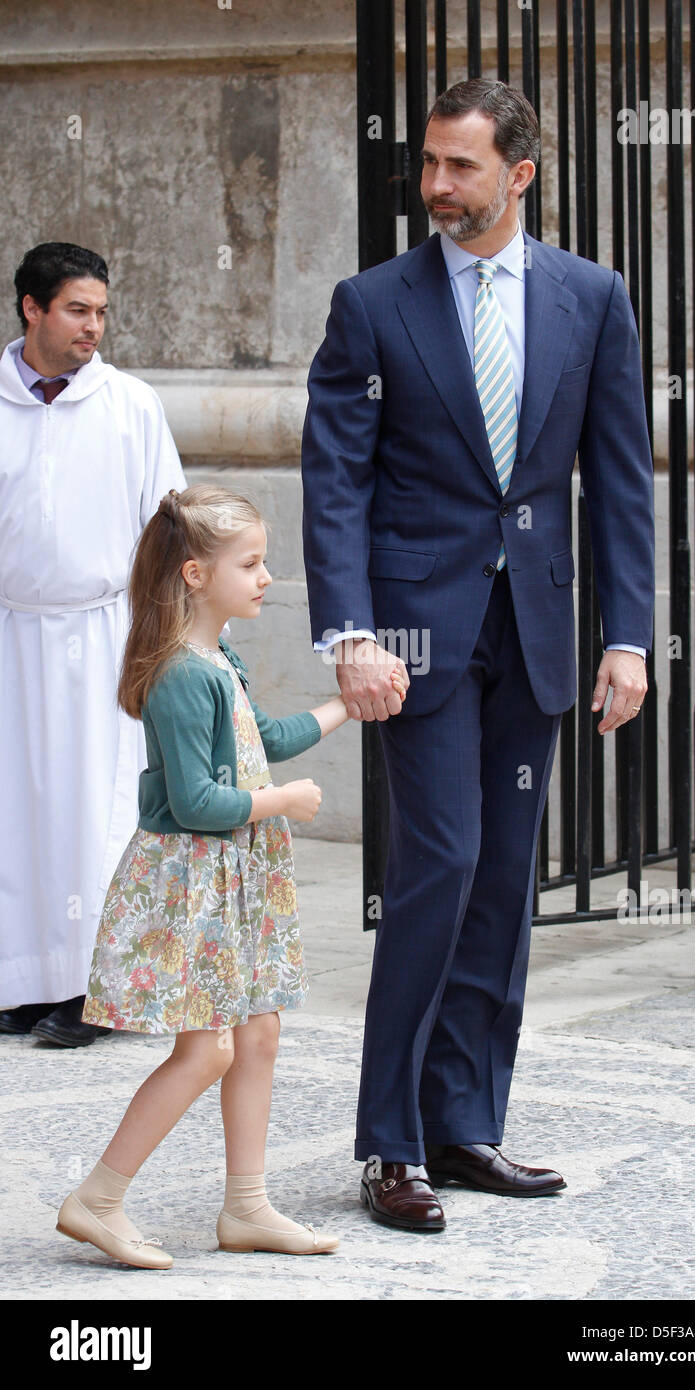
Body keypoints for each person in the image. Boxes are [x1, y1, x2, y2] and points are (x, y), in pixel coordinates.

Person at [301, 78, 654, 1231]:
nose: (434, 185)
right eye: (428, 162)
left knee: (502, 881)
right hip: (413, 635)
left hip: (538, 630)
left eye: (459, 166)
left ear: (519, 174)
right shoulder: (371, 303)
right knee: (439, 865)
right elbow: (335, 476)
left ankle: (463, 1126)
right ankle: (388, 1141)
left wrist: (630, 637)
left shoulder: (589, 298)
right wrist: (348, 633)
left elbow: (618, 474)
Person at [56, 483, 405, 1267]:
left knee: (258, 1034)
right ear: (193, 575)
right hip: (193, 887)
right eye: (249, 563)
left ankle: (246, 1207)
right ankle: (98, 1198)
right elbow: (196, 801)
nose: (265, 578)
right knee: (208, 1050)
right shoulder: (183, 673)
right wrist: (282, 802)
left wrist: (348, 705)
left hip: (231, 882)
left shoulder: (219, 661)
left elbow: (266, 737)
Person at [0, 242, 187, 1046]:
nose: (94, 328)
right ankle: (25, 980)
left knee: (94, 812)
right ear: (30, 308)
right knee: (20, 812)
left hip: (104, 634)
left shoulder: (131, 405)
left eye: (102, 312)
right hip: (12, 631)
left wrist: (168, 641)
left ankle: (95, 989)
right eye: (78, 309)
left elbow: (170, 525)